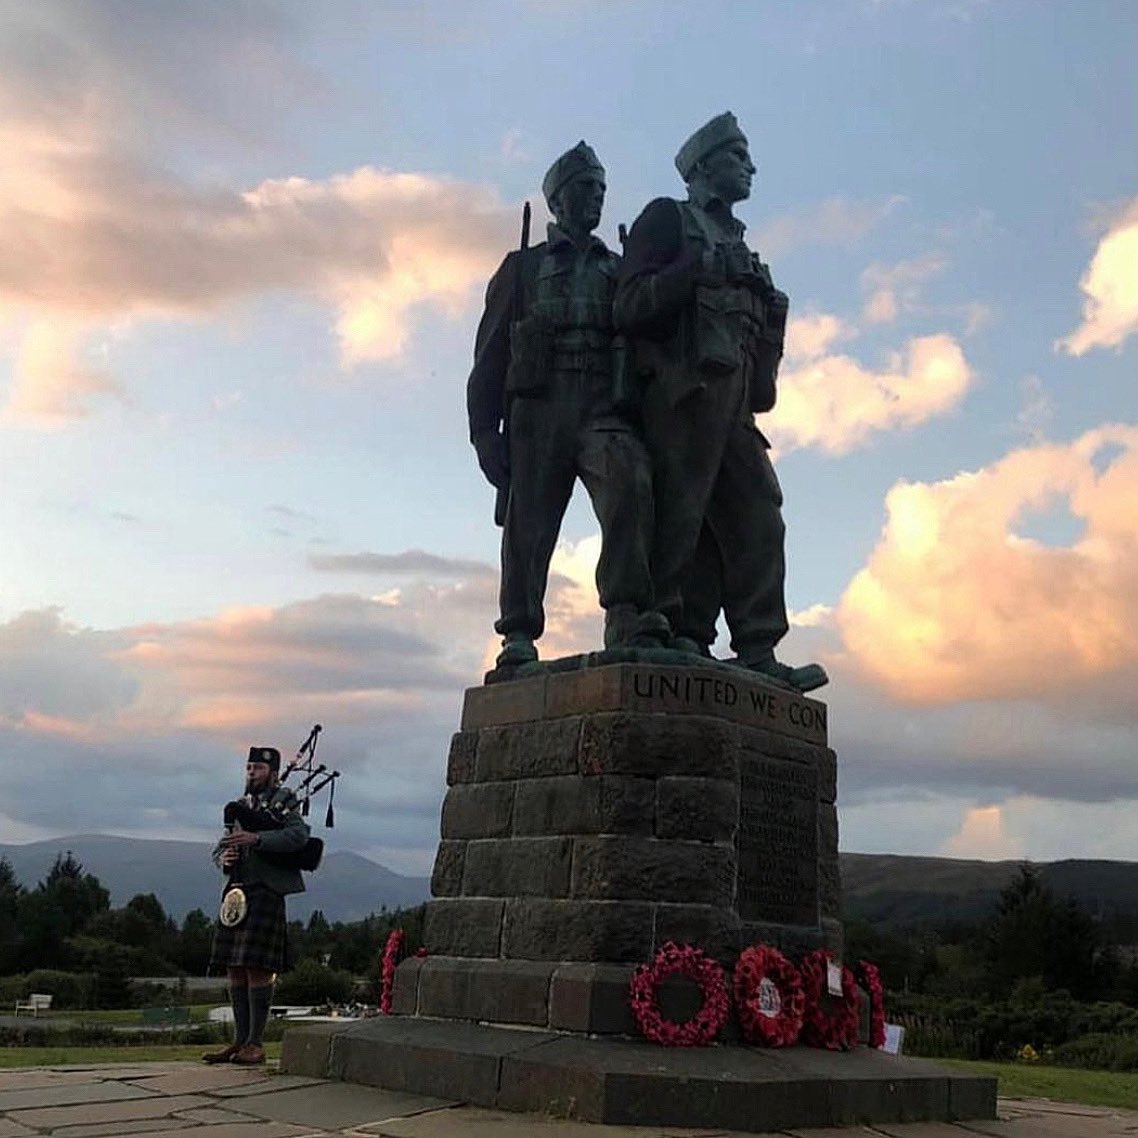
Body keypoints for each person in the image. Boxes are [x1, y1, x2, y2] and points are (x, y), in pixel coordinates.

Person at [614, 112, 826, 693]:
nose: (751, 168)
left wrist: (771, 319)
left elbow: (760, 365)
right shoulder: (669, 220)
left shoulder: (744, 246)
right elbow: (628, 306)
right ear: (705, 167)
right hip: (681, 394)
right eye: (739, 157)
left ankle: (757, 645)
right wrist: (699, 270)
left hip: (734, 403)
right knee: (682, 515)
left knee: (759, 512)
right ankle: (667, 627)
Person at [467, 141, 669, 671]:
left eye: (601, 189)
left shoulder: (620, 268)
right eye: (585, 188)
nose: (596, 197)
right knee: (528, 521)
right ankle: (517, 633)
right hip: (540, 407)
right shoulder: (523, 269)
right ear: (558, 199)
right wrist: (485, 431)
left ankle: (626, 612)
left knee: (630, 481)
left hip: (603, 405)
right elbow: (488, 356)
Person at [203, 745, 310, 1065]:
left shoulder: (285, 802)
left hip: (265, 890)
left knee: (258, 969)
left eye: (258, 769)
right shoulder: (239, 807)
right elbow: (219, 848)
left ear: (273, 773)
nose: (251, 773)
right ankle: (238, 1042)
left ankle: (256, 1044)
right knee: (234, 968)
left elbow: (299, 836)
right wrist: (225, 858)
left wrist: (258, 839)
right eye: (249, 768)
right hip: (236, 891)